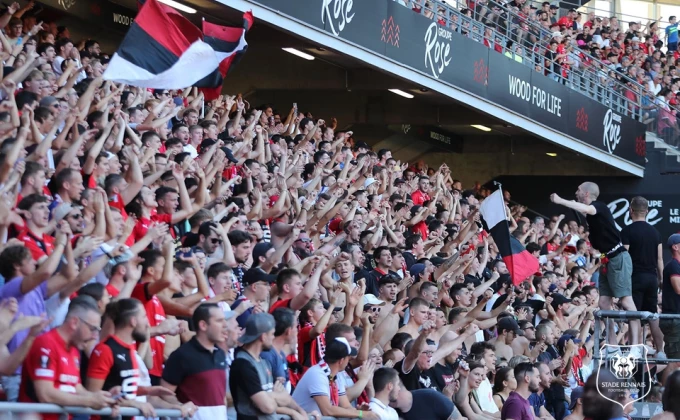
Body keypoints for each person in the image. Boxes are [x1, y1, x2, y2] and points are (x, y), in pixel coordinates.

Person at [550, 182, 640, 356]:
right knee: (604, 303)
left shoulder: (598, 206)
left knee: (626, 301)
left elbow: (588, 209)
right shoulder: (591, 211)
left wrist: (561, 200)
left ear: (585, 193)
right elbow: (585, 211)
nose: (575, 192)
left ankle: (636, 346)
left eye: (578, 190)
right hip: (607, 259)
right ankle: (613, 346)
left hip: (618, 258)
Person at [19, 297, 117, 418]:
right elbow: (45, 394)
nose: (94, 336)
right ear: (75, 322)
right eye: (92, 329)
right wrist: (90, 401)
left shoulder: (74, 349)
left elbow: (76, 388)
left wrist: (103, 398)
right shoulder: (46, 344)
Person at [230, 313, 309, 420]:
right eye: (272, 334)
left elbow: (286, 398)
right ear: (263, 337)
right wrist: (276, 395)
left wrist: (300, 411)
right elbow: (268, 407)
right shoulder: (242, 364)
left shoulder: (263, 362)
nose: (273, 338)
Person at [161, 303, 224, 419]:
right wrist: (180, 405)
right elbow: (164, 393)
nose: (225, 325)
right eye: (219, 321)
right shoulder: (182, 355)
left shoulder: (220, 354)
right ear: (203, 325)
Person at [620, 196, 665, 357]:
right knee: (653, 316)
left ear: (631, 210)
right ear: (646, 211)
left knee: (635, 316)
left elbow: (624, 257)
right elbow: (660, 259)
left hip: (634, 279)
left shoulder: (627, 231)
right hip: (652, 278)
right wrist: (661, 279)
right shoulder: (655, 232)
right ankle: (661, 351)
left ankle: (637, 350)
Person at [292, 336, 378, 419]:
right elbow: (327, 410)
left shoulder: (335, 375)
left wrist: (357, 412)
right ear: (341, 360)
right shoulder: (317, 374)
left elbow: (346, 406)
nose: (349, 361)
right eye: (348, 358)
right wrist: (360, 414)